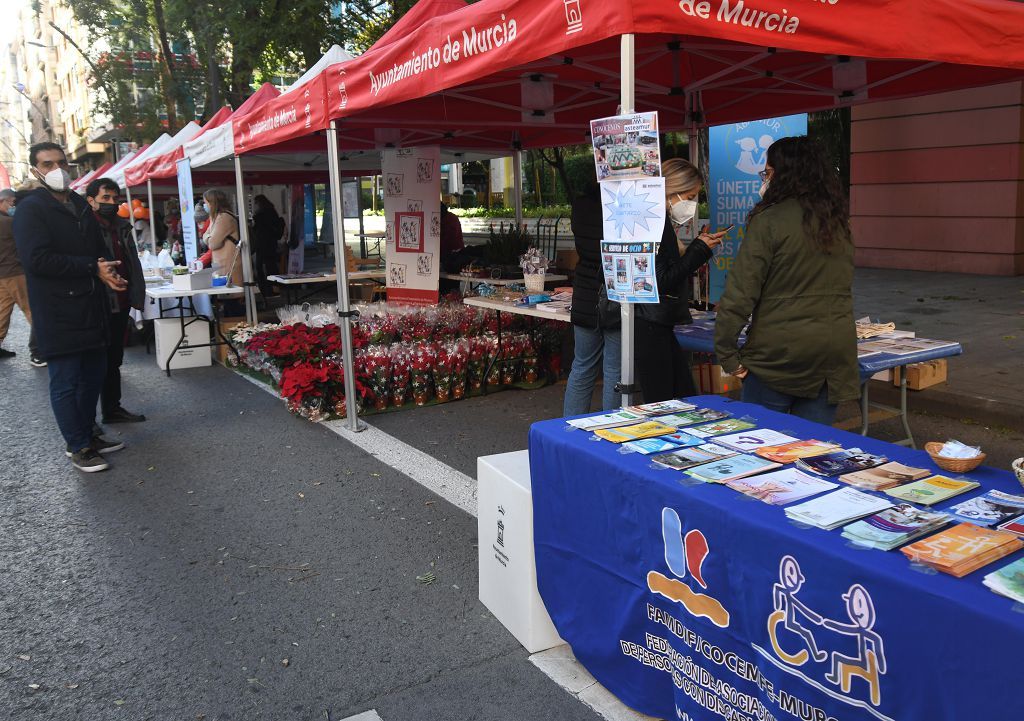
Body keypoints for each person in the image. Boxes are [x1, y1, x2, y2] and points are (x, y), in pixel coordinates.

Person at [714, 136, 858, 425]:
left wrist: (727, 354)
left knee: (761, 446)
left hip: (778, 355)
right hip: (832, 351)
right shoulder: (837, 221)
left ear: (783, 174)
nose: (764, 180)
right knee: (814, 450)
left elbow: (741, 292)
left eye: (767, 173)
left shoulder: (770, 219)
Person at [14, 142, 128, 473]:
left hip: (91, 306)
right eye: (48, 164)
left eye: (61, 163)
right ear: (35, 170)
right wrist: (91, 268)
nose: (57, 170)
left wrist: (107, 273)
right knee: (66, 380)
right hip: (57, 310)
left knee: (93, 374)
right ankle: (77, 445)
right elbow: (37, 260)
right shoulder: (31, 209)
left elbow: (95, 251)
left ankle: (89, 432)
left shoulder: (78, 203)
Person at [635, 158, 725, 402]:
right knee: (667, 400)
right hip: (651, 320)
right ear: (672, 191)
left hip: (653, 321)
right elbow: (660, 279)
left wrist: (696, 247)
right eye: (690, 196)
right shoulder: (656, 222)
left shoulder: (653, 219)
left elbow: (662, 266)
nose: (693, 204)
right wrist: (699, 250)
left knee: (679, 395)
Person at [85, 177, 147, 425]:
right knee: (95, 362)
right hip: (97, 302)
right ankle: (88, 421)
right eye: (105, 199)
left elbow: (133, 263)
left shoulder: (122, 226)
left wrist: (136, 295)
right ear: (91, 200)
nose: (111, 203)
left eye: (114, 198)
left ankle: (112, 409)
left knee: (114, 359)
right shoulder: (84, 227)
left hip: (120, 301)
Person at [563, 181, 621, 415]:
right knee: (614, 369)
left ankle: (570, 426)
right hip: (614, 293)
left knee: (582, 365)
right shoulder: (619, 207)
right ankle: (612, 427)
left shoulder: (580, 206)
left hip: (585, 294)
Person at [0, 188, 43, 365]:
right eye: (12, 203)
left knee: (3, 310)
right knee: (33, 310)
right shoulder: (8, 222)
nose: (14, 206)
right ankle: (39, 351)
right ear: (2, 201)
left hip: (3, 273)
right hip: (15, 271)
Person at [201, 189, 245, 315]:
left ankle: (234, 331)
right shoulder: (216, 218)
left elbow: (213, 243)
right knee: (228, 305)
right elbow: (207, 236)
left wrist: (207, 237)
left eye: (206, 203)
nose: (205, 206)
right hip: (223, 267)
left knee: (232, 306)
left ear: (213, 202)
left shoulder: (223, 218)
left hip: (229, 267)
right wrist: (208, 237)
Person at [251, 194, 284, 296]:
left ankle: (264, 289)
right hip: (271, 243)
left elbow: (257, 229)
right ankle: (275, 289)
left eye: (255, 203)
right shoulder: (272, 211)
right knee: (271, 266)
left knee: (260, 267)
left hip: (262, 244)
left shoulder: (260, 215)